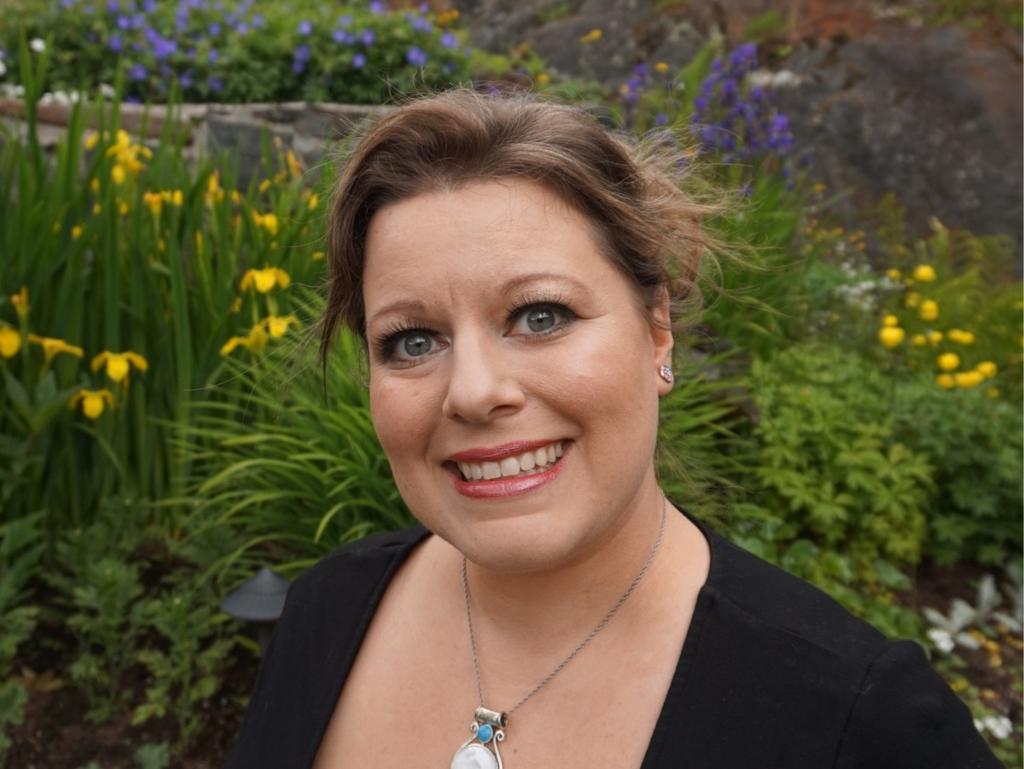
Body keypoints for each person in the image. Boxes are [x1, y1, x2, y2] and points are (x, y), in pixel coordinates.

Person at [224, 89, 1000, 769]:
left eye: (540, 315)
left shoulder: (860, 718)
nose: (474, 392)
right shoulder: (329, 610)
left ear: (657, 330)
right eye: (413, 340)